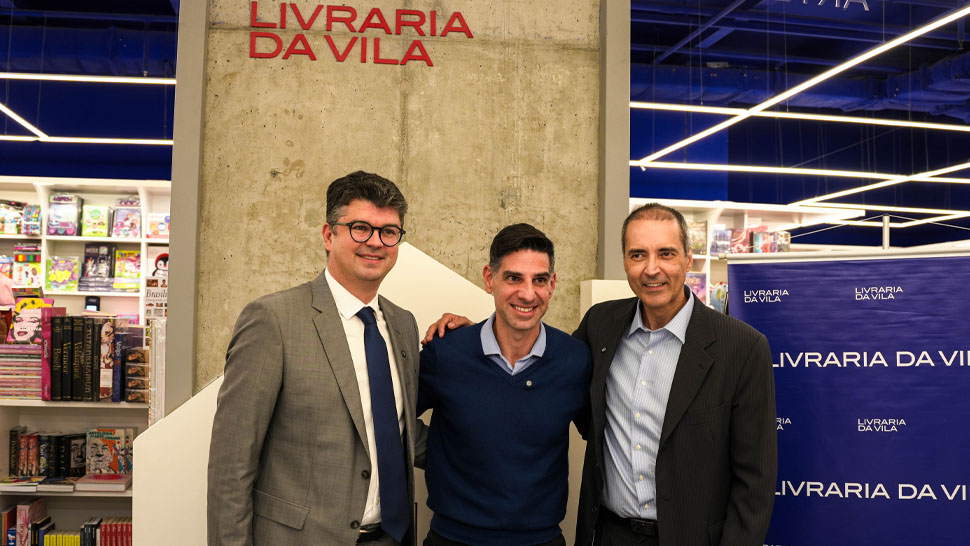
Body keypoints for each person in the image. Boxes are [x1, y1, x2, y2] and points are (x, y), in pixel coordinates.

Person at [425, 204, 777, 546]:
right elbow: (531, 359)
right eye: (638, 255)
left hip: (691, 536)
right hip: (608, 533)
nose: (651, 269)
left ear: (688, 259)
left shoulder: (742, 348)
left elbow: (755, 481)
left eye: (666, 254)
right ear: (624, 261)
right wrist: (471, 338)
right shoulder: (601, 326)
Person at [207, 171, 424, 546]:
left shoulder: (404, 324)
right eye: (360, 228)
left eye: (389, 231)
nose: (375, 242)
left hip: (391, 537)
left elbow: (398, 431)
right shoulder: (273, 320)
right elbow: (231, 465)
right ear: (328, 235)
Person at [418, 223, 590, 546]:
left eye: (539, 280)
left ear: (552, 284)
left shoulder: (575, 360)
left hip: (541, 540)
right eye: (513, 278)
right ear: (489, 279)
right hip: (451, 539)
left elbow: (603, 438)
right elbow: (390, 419)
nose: (528, 293)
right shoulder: (446, 353)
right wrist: (440, 452)